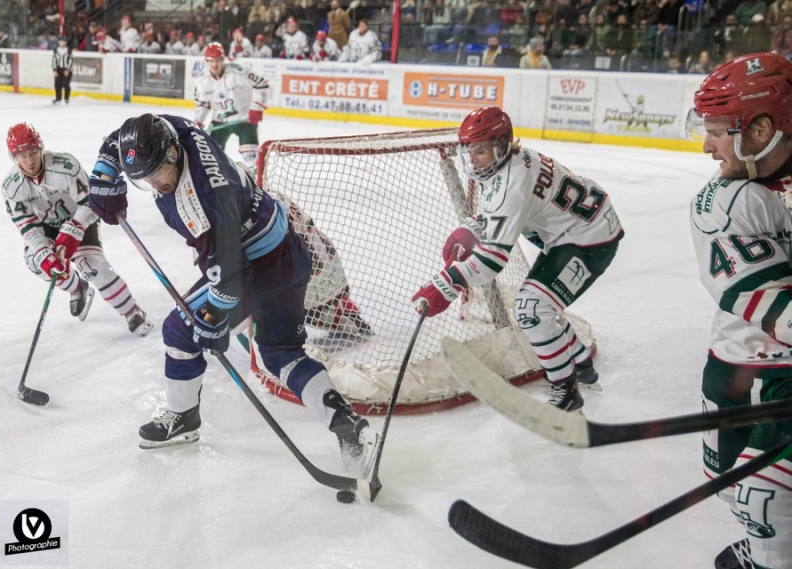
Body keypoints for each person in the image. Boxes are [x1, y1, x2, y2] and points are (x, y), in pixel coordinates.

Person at [85, 114, 380, 477]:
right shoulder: (175, 131)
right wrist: (104, 174)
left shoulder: (202, 202)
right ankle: (352, 429)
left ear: (174, 154)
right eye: (145, 177)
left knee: (179, 330)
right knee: (280, 353)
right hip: (288, 252)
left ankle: (183, 417)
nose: (157, 182)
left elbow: (229, 278)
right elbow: (122, 137)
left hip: (254, 266)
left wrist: (212, 320)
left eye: (160, 170)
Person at [412, 106, 623, 411]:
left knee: (532, 308)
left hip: (590, 238)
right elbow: (497, 213)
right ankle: (580, 360)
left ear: (500, 145)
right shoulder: (510, 163)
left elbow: (491, 262)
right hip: (573, 229)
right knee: (540, 305)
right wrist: (468, 230)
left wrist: (444, 285)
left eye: (480, 151)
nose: (472, 159)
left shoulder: (512, 182)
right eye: (469, 150)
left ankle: (566, 391)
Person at [686, 52, 792, 569]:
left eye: (720, 130)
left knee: (764, 495)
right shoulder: (724, 204)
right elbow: (767, 303)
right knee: (727, 482)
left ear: (764, 129)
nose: (707, 146)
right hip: (737, 363)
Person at [1, 123, 153, 336]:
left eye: (33, 152)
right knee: (37, 262)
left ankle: (130, 310)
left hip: (81, 218)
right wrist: (44, 251)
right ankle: (77, 288)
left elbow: (92, 202)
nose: (29, 160)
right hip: (47, 227)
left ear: (40, 148)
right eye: (21, 156)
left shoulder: (65, 165)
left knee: (90, 265)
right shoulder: (11, 186)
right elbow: (27, 225)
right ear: (14, 157)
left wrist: (74, 228)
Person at [193, 42, 268, 173]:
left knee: (250, 156)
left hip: (244, 120)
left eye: (218, 60)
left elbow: (262, 83)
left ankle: (257, 181)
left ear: (223, 59)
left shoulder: (238, 72)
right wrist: (198, 121)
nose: (214, 65)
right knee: (212, 157)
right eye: (211, 61)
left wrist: (257, 107)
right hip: (220, 121)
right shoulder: (202, 81)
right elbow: (203, 104)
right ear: (206, 61)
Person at [51, 36, 72, 105]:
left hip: (66, 69)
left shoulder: (68, 50)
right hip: (58, 69)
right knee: (57, 84)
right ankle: (58, 98)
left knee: (66, 84)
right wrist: (54, 70)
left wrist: (68, 69)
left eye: (63, 41)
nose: (62, 43)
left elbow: (71, 60)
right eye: (61, 41)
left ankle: (66, 98)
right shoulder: (56, 50)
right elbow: (54, 60)